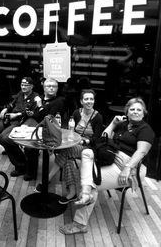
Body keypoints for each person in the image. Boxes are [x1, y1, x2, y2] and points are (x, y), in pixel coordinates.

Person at [59, 97, 155, 234]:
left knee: (92, 182)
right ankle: (84, 192)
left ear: (144, 113)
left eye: (139, 110)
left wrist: (127, 168)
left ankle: (80, 223)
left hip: (128, 166)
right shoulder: (123, 124)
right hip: (110, 158)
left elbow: (141, 151)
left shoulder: (145, 130)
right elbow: (102, 140)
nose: (135, 112)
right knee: (85, 155)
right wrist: (113, 124)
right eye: (132, 109)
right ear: (127, 112)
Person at [35, 89, 103, 204]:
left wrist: (83, 141)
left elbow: (96, 139)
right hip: (74, 144)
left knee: (66, 151)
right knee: (67, 159)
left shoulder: (98, 117)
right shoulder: (77, 113)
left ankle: (46, 180)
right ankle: (72, 192)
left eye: (91, 99)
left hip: (88, 148)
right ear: (81, 101)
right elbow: (71, 130)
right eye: (86, 99)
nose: (89, 101)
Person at [0, 77, 41, 177]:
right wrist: (5, 109)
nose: (23, 87)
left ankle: (21, 165)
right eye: (22, 84)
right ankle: (11, 148)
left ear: (32, 86)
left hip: (20, 121)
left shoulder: (36, 97)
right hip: (10, 118)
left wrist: (17, 115)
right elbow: (11, 104)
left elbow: (31, 113)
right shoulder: (20, 94)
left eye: (26, 85)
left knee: (4, 137)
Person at [23, 77, 65, 180]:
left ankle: (31, 173)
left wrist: (40, 106)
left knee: (30, 147)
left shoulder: (59, 101)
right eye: (48, 86)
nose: (51, 88)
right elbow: (37, 116)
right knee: (23, 141)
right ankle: (26, 167)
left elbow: (48, 119)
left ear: (57, 88)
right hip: (36, 127)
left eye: (54, 86)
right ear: (44, 88)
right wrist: (32, 113)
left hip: (49, 131)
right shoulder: (40, 97)